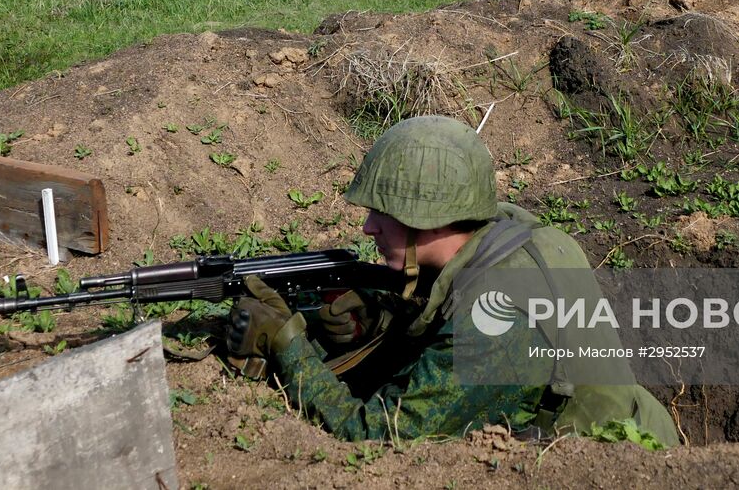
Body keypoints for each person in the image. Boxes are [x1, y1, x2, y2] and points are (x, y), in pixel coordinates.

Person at [223, 115, 680, 445]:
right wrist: (384, 314)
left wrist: (288, 345)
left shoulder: (496, 324)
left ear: (430, 219)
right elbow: (449, 302)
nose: (368, 228)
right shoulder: (510, 232)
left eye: (384, 212)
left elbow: (374, 434)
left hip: (617, 464)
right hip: (638, 421)